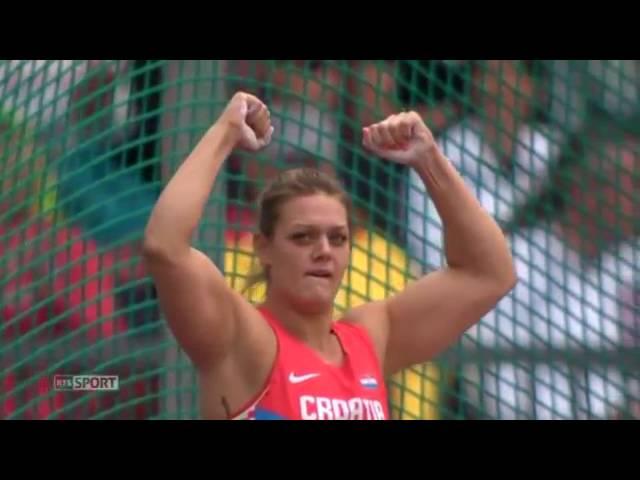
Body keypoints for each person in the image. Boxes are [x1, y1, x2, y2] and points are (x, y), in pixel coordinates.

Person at [142, 92, 517, 420]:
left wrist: (429, 159)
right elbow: (166, 247)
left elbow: (489, 273)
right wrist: (225, 132)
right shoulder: (244, 340)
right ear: (264, 248)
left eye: (338, 238)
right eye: (303, 236)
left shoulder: (369, 338)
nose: (323, 251)